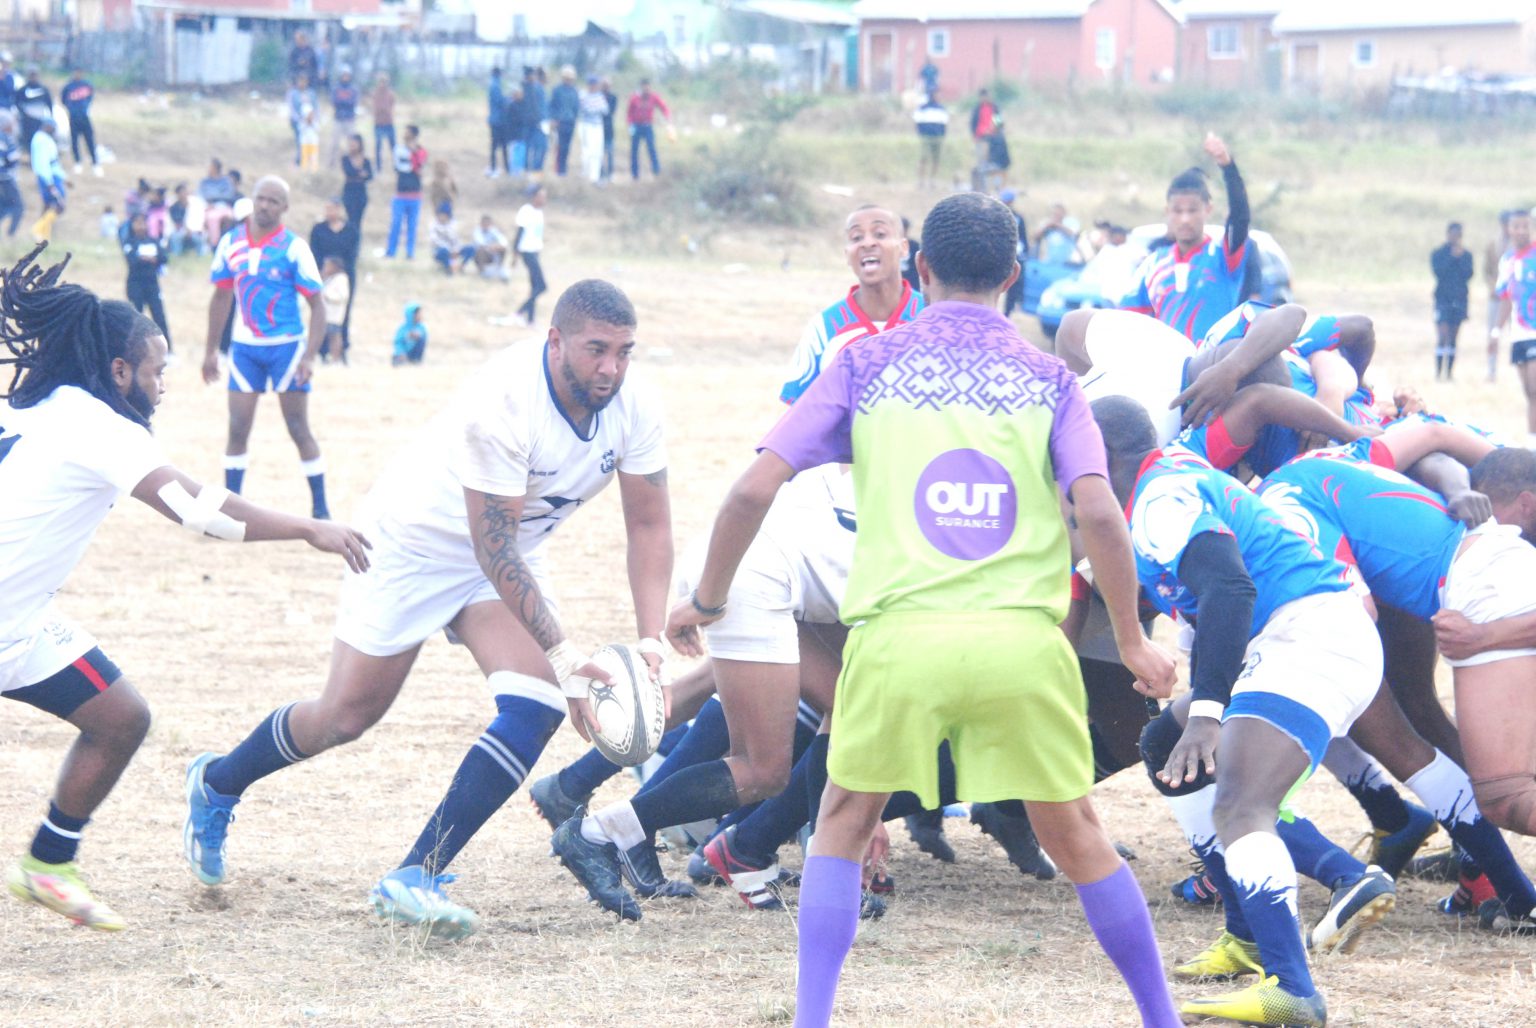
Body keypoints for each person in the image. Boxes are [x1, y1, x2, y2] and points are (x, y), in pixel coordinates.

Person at [665, 193, 1181, 1028]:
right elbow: (1101, 513)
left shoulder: (866, 365)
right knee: (1080, 836)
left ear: (922, 270)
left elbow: (753, 487)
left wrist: (709, 598)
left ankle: (813, 1021)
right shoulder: (1052, 379)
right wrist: (1128, 640)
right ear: (1014, 276)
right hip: (1023, 646)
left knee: (839, 821)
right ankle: (1161, 1018)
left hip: (898, 644)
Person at [182, 280, 672, 943]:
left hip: (503, 556)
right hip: (413, 543)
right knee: (345, 716)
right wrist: (564, 654)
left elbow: (647, 524)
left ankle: (416, 875)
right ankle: (218, 781)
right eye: (596, 351)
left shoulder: (633, 403)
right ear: (554, 340)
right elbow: (490, 544)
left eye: (623, 352)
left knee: (536, 704)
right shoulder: (503, 400)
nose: (611, 368)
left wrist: (652, 643)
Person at [0, 246, 367, 932]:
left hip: (17, 622)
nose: (163, 384)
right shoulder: (102, 427)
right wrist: (307, 528)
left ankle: (49, 863)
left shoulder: (45, 403)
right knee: (121, 720)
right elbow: (201, 513)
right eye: (155, 370)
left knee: (121, 717)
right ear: (119, 371)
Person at [1093, 394, 1387, 1027]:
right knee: (1163, 749)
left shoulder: (1157, 501)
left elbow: (1229, 585)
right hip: (1300, 632)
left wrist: (1207, 710)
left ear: (1097, 453)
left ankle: (1291, 989)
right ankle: (1246, 935)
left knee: (1240, 804)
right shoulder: (1157, 478)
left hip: (1311, 632)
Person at [200, 176, 331, 520]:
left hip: (286, 349)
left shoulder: (294, 248)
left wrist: (309, 356)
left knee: (298, 428)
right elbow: (221, 296)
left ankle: (320, 508)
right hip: (245, 351)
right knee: (238, 428)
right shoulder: (230, 243)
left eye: (274, 201)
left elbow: (319, 306)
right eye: (261, 198)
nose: (265, 205)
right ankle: (229, 510)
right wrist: (211, 350)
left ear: (284, 208)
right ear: (252, 200)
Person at [781, 204, 925, 405]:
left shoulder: (932, 316)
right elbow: (798, 417)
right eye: (856, 238)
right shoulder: (824, 328)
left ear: (904, 248)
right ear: (847, 253)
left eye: (880, 234)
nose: (867, 243)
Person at [1121, 133, 1251, 341]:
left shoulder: (1223, 256)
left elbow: (1240, 217)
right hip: (1168, 368)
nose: (1184, 219)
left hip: (1216, 366)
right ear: (1167, 211)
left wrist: (1227, 166)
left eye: (1192, 210)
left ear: (1207, 209)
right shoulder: (1152, 264)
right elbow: (1130, 322)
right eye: (1177, 211)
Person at [1491, 207, 1536, 448]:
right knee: (1529, 392)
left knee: (1535, 386)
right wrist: (1496, 331)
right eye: (1516, 226)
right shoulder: (1507, 260)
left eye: (1525, 226)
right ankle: (1531, 443)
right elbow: (1505, 298)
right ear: (1509, 228)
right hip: (1518, 333)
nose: (1520, 231)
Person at [308, 198, 359, 362]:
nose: (329, 212)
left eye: (332, 209)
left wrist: (338, 269)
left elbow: (352, 254)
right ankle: (320, 350)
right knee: (319, 310)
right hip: (321, 276)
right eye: (327, 209)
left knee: (342, 313)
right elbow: (314, 252)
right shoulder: (318, 230)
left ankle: (340, 350)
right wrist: (323, 271)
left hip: (344, 277)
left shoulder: (351, 230)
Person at [121, 213, 171, 350]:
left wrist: (146, 258)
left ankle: (168, 348)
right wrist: (149, 259)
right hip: (135, 284)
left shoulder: (153, 241)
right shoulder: (129, 242)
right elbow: (132, 260)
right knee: (136, 316)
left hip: (152, 284)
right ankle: (133, 349)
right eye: (137, 223)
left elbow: (163, 258)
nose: (141, 226)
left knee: (159, 315)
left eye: (143, 222)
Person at [1432, 221, 1474, 381]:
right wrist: (1451, 258)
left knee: (1454, 337)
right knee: (1442, 336)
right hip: (1443, 298)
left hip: (1460, 299)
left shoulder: (1467, 255)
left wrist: (1460, 258)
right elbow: (1438, 272)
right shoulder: (1439, 253)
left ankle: (1449, 372)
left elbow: (1469, 274)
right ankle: (1438, 371)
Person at [385, 125, 426, 260]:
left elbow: (419, 167)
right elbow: (401, 167)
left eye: (407, 133)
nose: (405, 135)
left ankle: (410, 252)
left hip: (415, 194)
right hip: (401, 194)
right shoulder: (398, 149)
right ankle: (391, 251)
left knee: (412, 226)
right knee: (396, 224)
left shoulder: (421, 151)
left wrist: (414, 155)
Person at [512, 184, 547, 326]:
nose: (544, 199)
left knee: (534, 286)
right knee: (542, 286)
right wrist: (515, 254)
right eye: (541, 196)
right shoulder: (526, 211)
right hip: (527, 252)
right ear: (534, 197)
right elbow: (519, 233)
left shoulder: (539, 212)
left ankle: (530, 319)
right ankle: (519, 312)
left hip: (535, 251)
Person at [28, 116, 65, 244]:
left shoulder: (45, 138)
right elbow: (42, 162)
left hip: (53, 175)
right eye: (53, 127)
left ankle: (44, 237)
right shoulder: (40, 140)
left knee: (48, 205)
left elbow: (53, 161)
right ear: (47, 126)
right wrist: (49, 182)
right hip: (48, 177)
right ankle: (37, 229)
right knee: (60, 205)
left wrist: (64, 177)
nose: (54, 130)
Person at [1485, 210, 1511, 383]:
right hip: (1496, 296)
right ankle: (1491, 370)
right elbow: (1487, 270)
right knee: (1492, 332)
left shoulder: (1521, 246)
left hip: (1515, 297)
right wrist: (1493, 287)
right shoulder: (1493, 244)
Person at [627, 78, 670, 180]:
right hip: (636, 126)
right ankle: (634, 174)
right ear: (641, 87)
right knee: (634, 150)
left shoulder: (653, 97)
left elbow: (663, 107)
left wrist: (667, 116)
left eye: (648, 87)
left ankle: (656, 171)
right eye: (644, 87)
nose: (646, 89)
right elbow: (629, 113)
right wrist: (630, 124)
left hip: (648, 126)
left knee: (651, 148)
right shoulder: (634, 98)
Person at [60, 69, 100, 177]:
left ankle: (95, 164)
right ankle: (78, 162)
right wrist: (72, 109)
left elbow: (90, 98)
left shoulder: (87, 85)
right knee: (74, 141)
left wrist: (84, 108)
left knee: (90, 141)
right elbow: (63, 100)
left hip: (85, 117)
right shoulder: (68, 86)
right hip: (73, 117)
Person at [1000, 189, 1028, 317]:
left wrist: (1024, 252)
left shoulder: (1018, 217)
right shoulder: (996, 215)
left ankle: (1008, 312)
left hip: (1015, 254)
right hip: (1000, 253)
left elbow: (1023, 238)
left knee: (1013, 284)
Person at [197, 158, 236, 250]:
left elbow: (229, 194)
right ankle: (215, 245)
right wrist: (215, 197)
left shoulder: (226, 181)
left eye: (210, 167)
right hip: (208, 207)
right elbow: (201, 194)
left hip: (223, 206)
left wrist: (214, 197)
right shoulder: (205, 182)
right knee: (212, 218)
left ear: (216, 168)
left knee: (231, 217)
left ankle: (230, 242)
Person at [913, 93, 948, 190]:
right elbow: (917, 121)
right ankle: (921, 181)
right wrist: (920, 133)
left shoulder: (941, 108)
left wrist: (942, 135)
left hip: (937, 136)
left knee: (935, 159)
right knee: (924, 158)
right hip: (926, 136)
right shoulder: (922, 108)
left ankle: (932, 180)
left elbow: (944, 123)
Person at [550, 65, 580, 177]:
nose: (568, 80)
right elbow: (552, 106)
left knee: (567, 147)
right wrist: (553, 119)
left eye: (570, 78)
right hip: (559, 122)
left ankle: (564, 169)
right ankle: (558, 170)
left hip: (570, 122)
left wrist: (575, 118)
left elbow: (576, 106)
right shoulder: (557, 90)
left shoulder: (574, 91)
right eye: (567, 78)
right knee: (559, 147)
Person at [429, 205, 475, 276]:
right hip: (440, 251)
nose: (443, 217)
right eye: (441, 215)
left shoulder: (452, 224)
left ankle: (461, 266)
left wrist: (456, 249)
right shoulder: (433, 225)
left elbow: (455, 239)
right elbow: (435, 241)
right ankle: (448, 269)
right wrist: (450, 250)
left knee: (471, 248)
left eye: (445, 215)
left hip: (454, 250)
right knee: (443, 251)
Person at [327, 67, 358, 169]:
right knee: (334, 143)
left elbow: (353, 102)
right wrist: (344, 103)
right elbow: (334, 102)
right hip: (338, 119)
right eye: (344, 75)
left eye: (347, 75)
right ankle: (331, 164)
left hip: (349, 119)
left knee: (352, 143)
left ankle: (352, 164)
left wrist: (343, 102)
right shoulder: (336, 89)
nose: (345, 77)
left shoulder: (353, 89)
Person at [577, 75, 607, 183]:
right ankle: (585, 173)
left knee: (597, 151)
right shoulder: (583, 95)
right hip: (586, 125)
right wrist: (595, 108)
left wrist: (594, 108)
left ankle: (594, 176)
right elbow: (586, 109)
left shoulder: (599, 96)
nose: (595, 86)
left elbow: (605, 109)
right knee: (587, 151)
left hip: (598, 125)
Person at [319, 257, 349, 362]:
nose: (325, 268)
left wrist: (327, 295)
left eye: (327, 266)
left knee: (334, 337)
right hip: (325, 314)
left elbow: (342, 296)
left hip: (334, 315)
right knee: (323, 336)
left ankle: (336, 358)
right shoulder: (329, 278)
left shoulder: (341, 279)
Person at [339, 133, 371, 230]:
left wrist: (360, 174)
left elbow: (370, 175)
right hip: (349, 191)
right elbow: (349, 171)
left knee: (358, 220)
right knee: (351, 219)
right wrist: (361, 173)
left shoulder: (365, 160)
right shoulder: (345, 158)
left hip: (361, 192)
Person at [16, 68, 51, 151]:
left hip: (39, 118)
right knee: (27, 138)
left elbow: (49, 103)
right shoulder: (23, 89)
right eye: (31, 75)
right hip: (27, 119)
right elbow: (17, 102)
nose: (33, 77)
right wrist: (22, 111)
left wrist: (50, 115)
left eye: (35, 75)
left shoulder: (43, 89)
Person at [0, 113, 22, 238]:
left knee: (4, 206)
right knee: (18, 206)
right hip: (6, 178)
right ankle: (11, 234)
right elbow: (11, 158)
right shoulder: (7, 139)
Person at [286, 74, 315, 168]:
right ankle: (299, 161)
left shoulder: (311, 93)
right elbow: (292, 109)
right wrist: (300, 119)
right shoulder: (293, 93)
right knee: (300, 141)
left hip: (310, 123)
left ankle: (309, 162)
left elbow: (316, 107)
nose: (302, 83)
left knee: (310, 142)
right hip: (297, 122)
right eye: (300, 81)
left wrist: (313, 119)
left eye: (304, 81)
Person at [523, 66, 548, 172]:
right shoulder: (534, 88)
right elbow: (534, 107)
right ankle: (533, 170)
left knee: (537, 148)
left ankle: (533, 170)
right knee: (538, 148)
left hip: (540, 122)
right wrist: (539, 120)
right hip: (536, 123)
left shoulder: (538, 88)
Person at [472, 213, 511, 280]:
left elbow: (504, 241)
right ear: (481, 223)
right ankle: (482, 270)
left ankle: (499, 267)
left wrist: (497, 246)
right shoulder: (477, 231)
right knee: (481, 250)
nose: (486, 225)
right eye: (485, 223)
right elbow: (480, 243)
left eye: (488, 223)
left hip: (492, 252)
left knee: (503, 249)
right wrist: (491, 247)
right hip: (480, 255)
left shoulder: (493, 230)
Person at [369, 73, 395, 173]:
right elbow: (376, 107)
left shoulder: (390, 94)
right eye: (381, 82)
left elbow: (391, 106)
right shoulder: (375, 94)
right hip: (378, 123)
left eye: (384, 82)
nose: (382, 84)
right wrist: (382, 110)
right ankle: (378, 167)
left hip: (389, 122)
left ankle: (396, 165)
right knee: (378, 146)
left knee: (393, 146)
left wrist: (385, 110)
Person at [486, 67, 508, 177]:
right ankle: (500, 168)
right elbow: (500, 102)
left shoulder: (492, 84)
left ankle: (495, 167)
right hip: (499, 121)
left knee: (494, 146)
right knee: (501, 146)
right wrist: (510, 99)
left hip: (494, 120)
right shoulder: (496, 86)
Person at [969, 87, 997, 172]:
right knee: (981, 159)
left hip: (992, 136)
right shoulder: (977, 109)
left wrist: (997, 130)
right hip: (980, 136)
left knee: (992, 159)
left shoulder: (994, 108)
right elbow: (973, 123)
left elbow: (998, 120)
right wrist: (974, 135)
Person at [391, 301, 426, 365]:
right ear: (411, 315)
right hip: (401, 355)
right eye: (417, 314)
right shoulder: (402, 328)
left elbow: (423, 336)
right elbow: (398, 343)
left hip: (414, 355)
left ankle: (415, 362)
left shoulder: (421, 327)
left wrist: (416, 336)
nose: (420, 315)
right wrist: (401, 353)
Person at [600, 78, 617, 180]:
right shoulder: (598, 96)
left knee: (610, 152)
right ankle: (601, 173)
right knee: (599, 153)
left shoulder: (613, 97)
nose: (606, 87)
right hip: (599, 129)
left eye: (607, 85)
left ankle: (610, 173)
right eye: (604, 85)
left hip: (609, 128)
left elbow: (611, 111)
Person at [298, 106, 320, 172]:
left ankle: (314, 171)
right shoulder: (302, 122)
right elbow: (300, 129)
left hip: (313, 142)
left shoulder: (315, 121)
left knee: (314, 157)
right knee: (304, 157)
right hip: (305, 142)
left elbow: (318, 129)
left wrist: (312, 123)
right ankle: (304, 171)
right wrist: (306, 123)